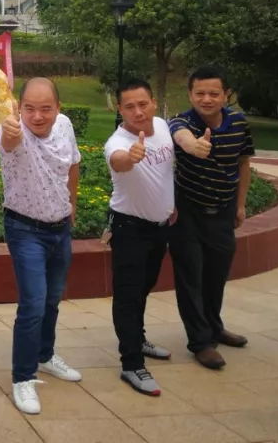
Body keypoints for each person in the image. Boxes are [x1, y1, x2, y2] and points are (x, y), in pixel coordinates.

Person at [0, 77, 82, 415]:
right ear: (19, 108)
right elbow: (8, 141)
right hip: (24, 228)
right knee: (33, 304)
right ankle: (23, 377)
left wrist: (73, 203)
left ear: (58, 108)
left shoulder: (65, 126)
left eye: (46, 108)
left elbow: (73, 164)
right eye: (29, 108)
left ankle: (45, 355)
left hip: (59, 228)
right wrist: (10, 130)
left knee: (52, 299)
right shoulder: (12, 130)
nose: (37, 116)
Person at [168, 66, 254, 370]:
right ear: (190, 94)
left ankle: (214, 327)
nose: (206, 99)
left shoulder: (239, 123)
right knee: (190, 277)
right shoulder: (182, 121)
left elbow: (243, 163)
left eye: (213, 93)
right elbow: (179, 135)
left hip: (222, 211)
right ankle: (201, 342)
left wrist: (240, 205)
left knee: (216, 275)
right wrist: (192, 145)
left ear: (226, 95)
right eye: (199, 93)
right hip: (187, 213)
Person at [104, 79, 176, 397]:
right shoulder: (117, 143)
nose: (138, 111)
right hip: (128, 229)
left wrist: (170, 204)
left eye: (142, 104)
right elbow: (118, 161)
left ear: (154, 103)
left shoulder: (162, 127)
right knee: (128, 296)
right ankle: (131, 363)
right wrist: (131, 157)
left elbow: (166, 171)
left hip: (159, 227)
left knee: (145, 287)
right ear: (120, 109)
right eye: (129, 106)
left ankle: (138, 338)